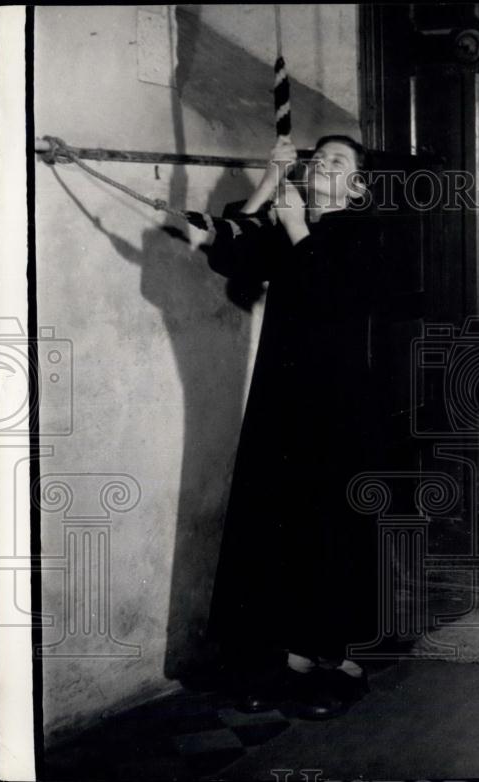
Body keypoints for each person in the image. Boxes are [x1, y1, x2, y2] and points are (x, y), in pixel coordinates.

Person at [204, 134, 382, 718]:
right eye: (317, 158)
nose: (320, 165)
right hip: (283, 400)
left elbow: (329, 291)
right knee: (274, 518)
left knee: (327, 522)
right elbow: (230, 258)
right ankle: (278, 658)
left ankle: (335, 662)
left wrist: (298, 225)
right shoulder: (290, 220)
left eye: (336, 161)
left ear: (356, 186)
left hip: (338, 407)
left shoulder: (365, 233)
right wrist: (264, 185)